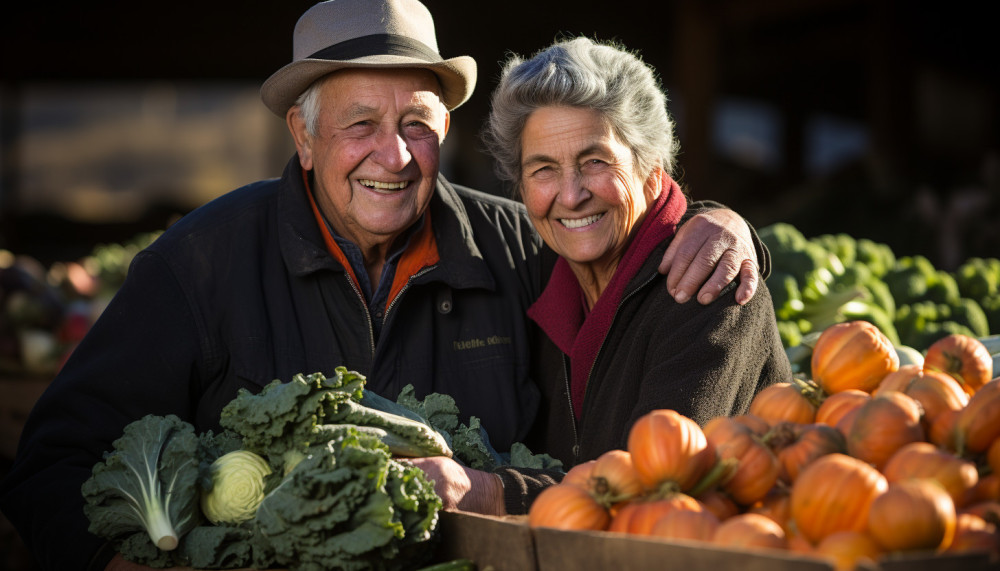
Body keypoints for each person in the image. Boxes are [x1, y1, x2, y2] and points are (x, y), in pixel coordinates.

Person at [0, 2, 768, 569]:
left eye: (419, 123)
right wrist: (111, 561)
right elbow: (52, 459)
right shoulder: (201, 262)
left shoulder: (515, 245)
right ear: (303, 137)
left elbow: (621, 237)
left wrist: (719, 223)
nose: (394, 156)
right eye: (360, 124)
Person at [480, 36, 790, 473]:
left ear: (651, 170)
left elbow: (649, 482)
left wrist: (494, 492)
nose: (570, 196)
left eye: (596, 162)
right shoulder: (535, 277)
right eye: (544, 169)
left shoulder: (709, 286)